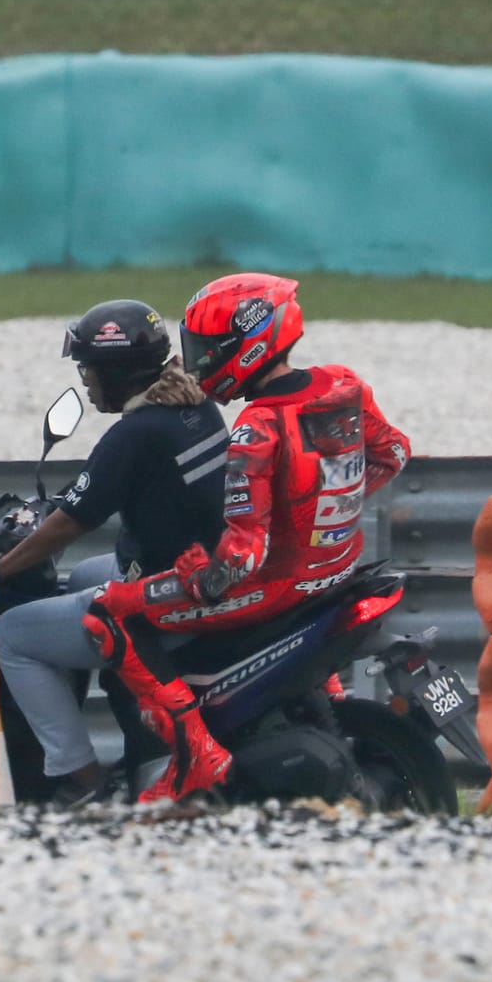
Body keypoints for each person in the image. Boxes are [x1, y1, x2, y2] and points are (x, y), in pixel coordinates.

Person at [89, 272, 413, 805]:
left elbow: (242, 558)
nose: (198, 362)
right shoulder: (341, 385)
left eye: (208, 348)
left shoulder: (255, 429)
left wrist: (194, 577)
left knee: (107, 610)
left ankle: (196, 758)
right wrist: (319, 508)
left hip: (274, 587)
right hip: (336, 570)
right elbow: (393, 453)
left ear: (247, 343)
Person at [0, 299, 228, 805]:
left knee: (11, 634)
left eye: (89, 368)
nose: (84, 379)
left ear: (118, 373)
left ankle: (80, 781)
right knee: (81, 579)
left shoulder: (136, 434)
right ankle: (132, 731)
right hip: (200, 569)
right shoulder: (195, 406)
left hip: (167, 597)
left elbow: (72, 521)